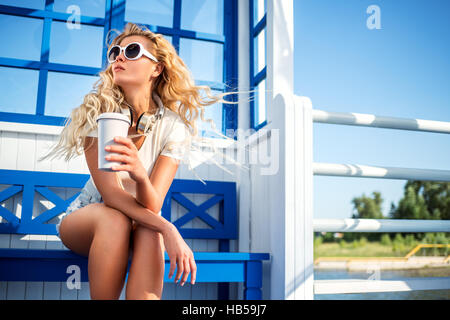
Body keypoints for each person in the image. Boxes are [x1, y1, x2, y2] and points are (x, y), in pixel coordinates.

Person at [38, 22, 243, 300]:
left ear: (156, 68)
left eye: (132, 51)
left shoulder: (174, 127)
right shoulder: (96, 113)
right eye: (115, 52)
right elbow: (110, 195)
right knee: (119, 220)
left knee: (149, 231)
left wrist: (139, 175)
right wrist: (169, 228)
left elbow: (152, 203)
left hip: (139, 221)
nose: (120, 57)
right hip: (87, 218)